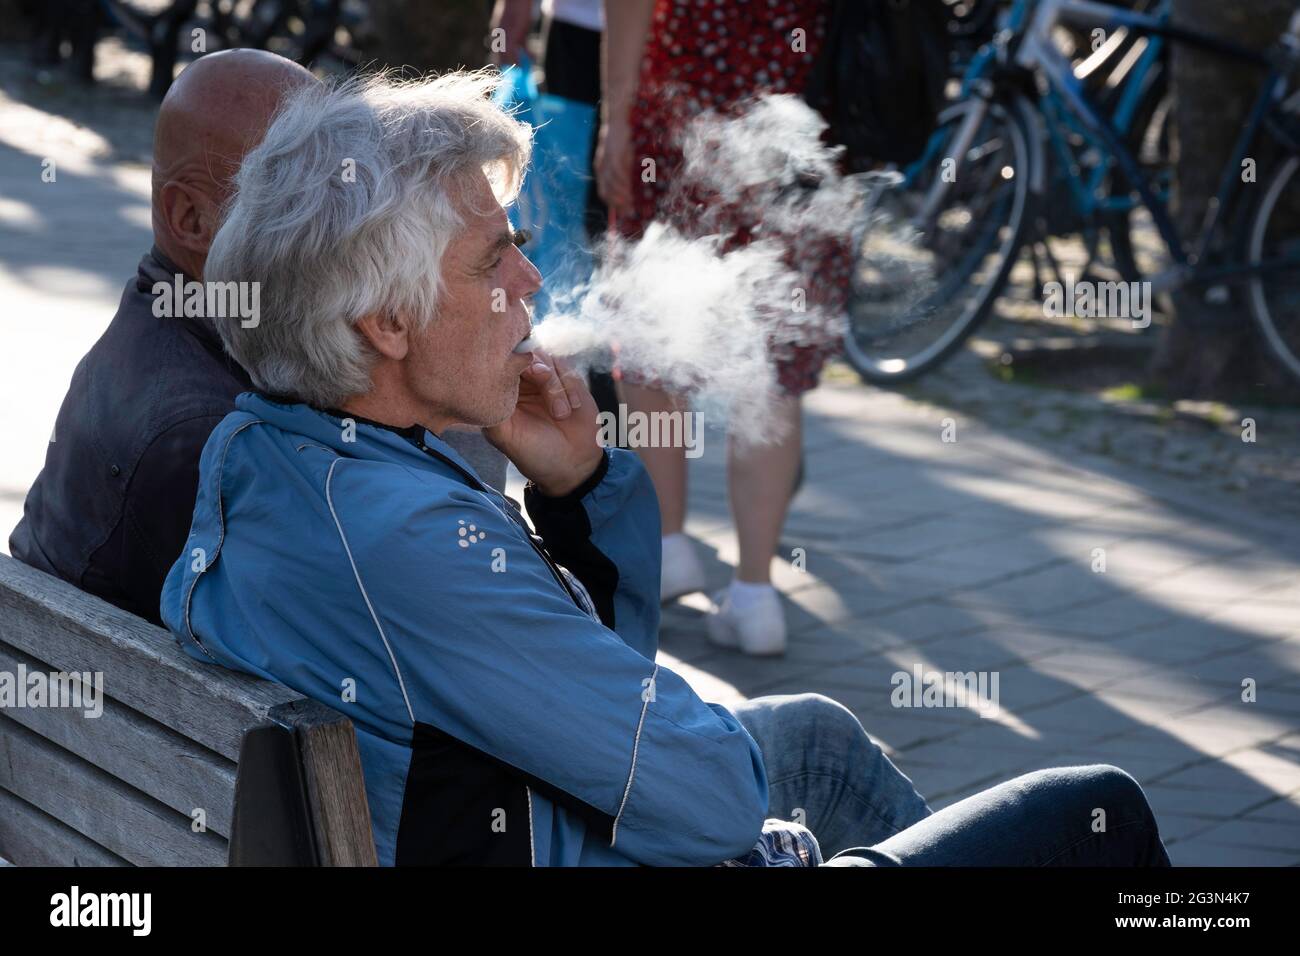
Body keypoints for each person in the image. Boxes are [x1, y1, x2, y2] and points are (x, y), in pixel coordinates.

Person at [159, 70, 1168, 868]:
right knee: (1093, 810)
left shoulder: (265, 451)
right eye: (490, 261)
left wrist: (582, 493)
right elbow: (711, 796)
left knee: (810, 732)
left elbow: (599, 694)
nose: (531, 279)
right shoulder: (411, 540)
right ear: (384, 322)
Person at [7, 49, 509, 626]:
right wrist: (459, 416)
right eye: (287, 182)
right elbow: (443, 634)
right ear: (190, 217)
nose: (345, 207)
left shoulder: (175, 336)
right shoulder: (216, 436)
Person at [596, 0, 851, 655]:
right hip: (803, 125)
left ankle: (669, 544)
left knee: (653, 343)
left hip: (681, 112)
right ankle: (756, 593)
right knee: (775, 365)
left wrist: (616, 118)